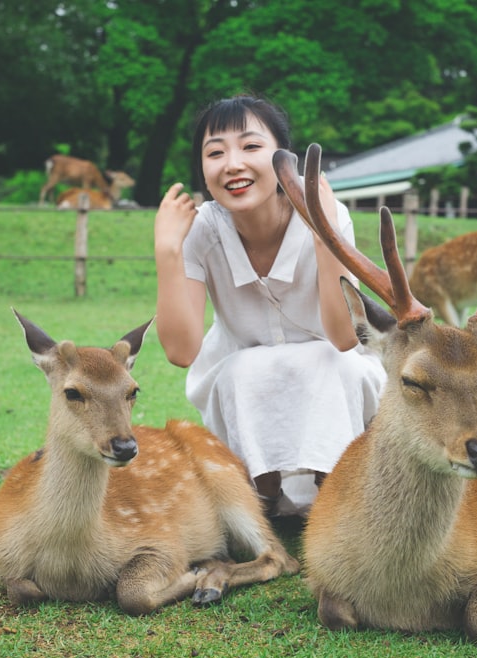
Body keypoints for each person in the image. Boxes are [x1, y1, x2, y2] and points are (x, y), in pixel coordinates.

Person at [153, 95, 386, 517]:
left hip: (340, 377)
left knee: (329, 361)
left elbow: (344, 336)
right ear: (202, 170)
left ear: (285, 161)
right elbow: (180, 351)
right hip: (240, 387)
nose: (233, 164)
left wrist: (324, 234)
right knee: (245, 366)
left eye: (251, 146)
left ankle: (334, 490)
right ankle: (262, 492)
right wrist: (168, 251)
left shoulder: (329, 214)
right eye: (215, 153)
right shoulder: (202, 230)